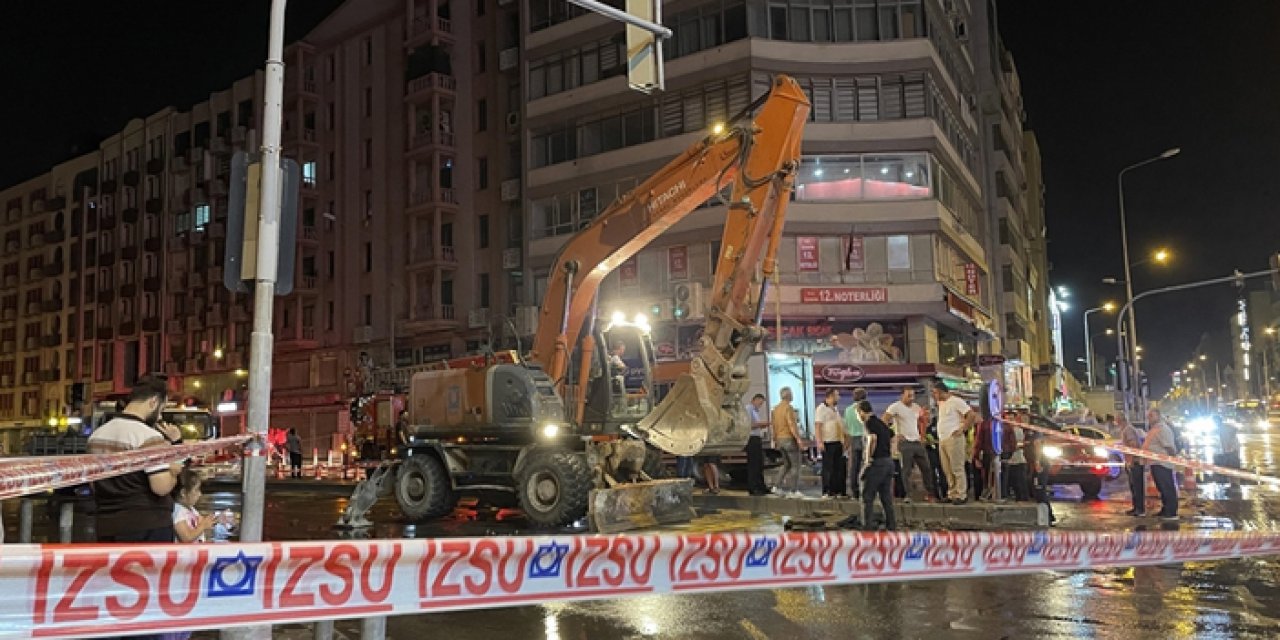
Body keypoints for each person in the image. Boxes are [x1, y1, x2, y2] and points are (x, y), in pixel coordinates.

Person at [87, 374, 186, 543]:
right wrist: (173, 471)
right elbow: (161, 487)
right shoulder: (149, 437)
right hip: (147, 526)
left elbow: (93, 483)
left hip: (106, 524)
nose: (160, 417)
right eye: (161, 410)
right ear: (153, 402)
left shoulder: (96, 436)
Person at [884, 388, 935, 502]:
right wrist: (893, 435)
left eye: (912, 396)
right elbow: (885, 420)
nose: (911, 398)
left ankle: (930, 493)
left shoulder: (916, 407)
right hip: (905, 442)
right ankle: (908, 495)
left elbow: (922, 421)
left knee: (926, 468)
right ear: (902, 395)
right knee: (906, 470)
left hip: (917, 441)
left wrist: (922, 436)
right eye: (909, 396)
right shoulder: (895, 407)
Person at [931, 382, 976, 505]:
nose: (934, 395)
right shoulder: (941, 404)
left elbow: (971, 414)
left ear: (940, 391)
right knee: (947, 468)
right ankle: (952, 493)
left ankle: (961, 494)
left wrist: (963, 428)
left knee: (957, 467)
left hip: (954, 438)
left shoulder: (956, 401)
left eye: (935, 392)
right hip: (943, 439)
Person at [858, 400, 896, 531]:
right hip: (888, 462)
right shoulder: (882, 423)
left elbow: (872, 439)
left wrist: (868, 459)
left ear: (861, 412)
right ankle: (891, 525)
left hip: (877, 463)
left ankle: (867, 526)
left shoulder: (869, 423)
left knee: (867, 496)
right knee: (886, 497)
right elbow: (893, 437)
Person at [1142, 408, 1180, 522]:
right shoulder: (1155, 429)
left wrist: (1172, 458)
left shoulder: (1163, 429)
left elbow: (1169, 447)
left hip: (1162, 463)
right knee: (1161, 488)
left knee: (1167, 487)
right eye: (1148, 416)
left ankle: (1171, 512)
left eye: (1151, 416)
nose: (1149, 418)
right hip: (1155, 463)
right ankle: (1165, 509)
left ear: (1158, 416)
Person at [771, 386, 806, 498]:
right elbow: (791, 424)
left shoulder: (775, 409)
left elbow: (774, 426)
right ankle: (793, 491)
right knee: (796, 465)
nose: (792, 395)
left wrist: (775, 439)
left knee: (786, 464)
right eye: (791, 393)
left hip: (780, 440)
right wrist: (798, 439)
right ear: (788, 395)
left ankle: (776, 487)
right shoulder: (788, 408)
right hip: (789, 439)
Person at [816, 389, 846, 498]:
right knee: (828, 467)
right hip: (828, 441)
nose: (839, 397)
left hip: (837, 441)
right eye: (837, 395)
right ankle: (826, 491)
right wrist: (819, 441)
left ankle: (836, 490)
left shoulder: (835, 409)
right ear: (831, 396)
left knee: (837, 467)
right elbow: (818, 425)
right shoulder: (821, 408)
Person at [1119, 414, 1147, 516]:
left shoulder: (1128, 430)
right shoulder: (1126, 430)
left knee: (1137, 486)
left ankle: (1140, 509)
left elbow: (1133, 445)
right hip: (1132, 462)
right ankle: (1136, 508)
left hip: (1135, 462)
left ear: (1120, 421)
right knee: (1133, 486)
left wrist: (1130, 461)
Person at [843, 388, 868, 499]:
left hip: (853, 438)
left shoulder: (847, 410)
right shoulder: (865, 408)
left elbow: (846, 427)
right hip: (865, 438)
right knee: (868, 464)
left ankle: (854, 491)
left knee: (854, 466)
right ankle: (867, 488)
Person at [745, 394, 771, 496]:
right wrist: (761, 424)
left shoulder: (755, 411)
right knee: (754, 464)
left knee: (759, 464)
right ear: (754, 400)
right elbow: (748, 425)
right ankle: (753, 487)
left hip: (757, 438)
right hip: (751, 439)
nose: (760, 405)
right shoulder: (748, 409)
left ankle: (761, 486)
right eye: (759, 403)